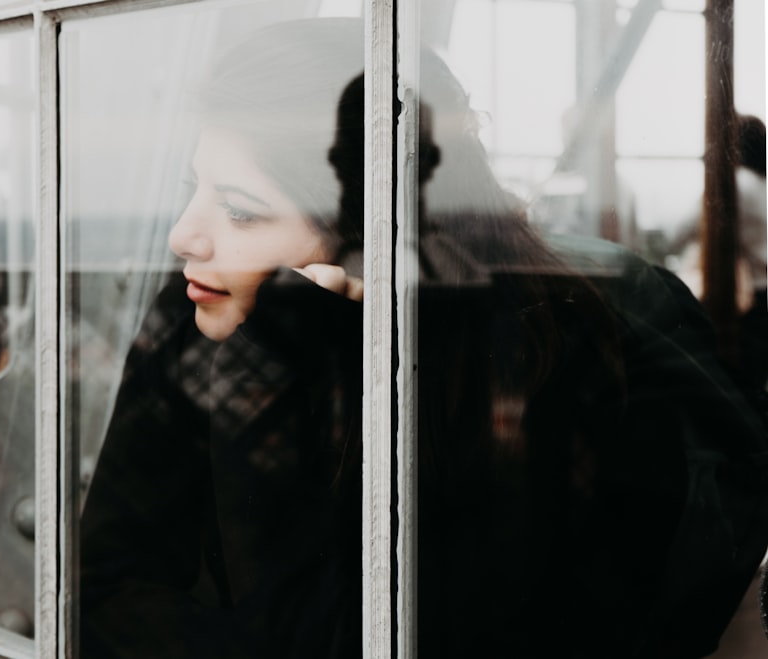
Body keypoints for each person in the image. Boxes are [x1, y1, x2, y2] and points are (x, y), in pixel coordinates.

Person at [79, 18, 768, 658]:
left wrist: (321, 365)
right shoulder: (194, 315)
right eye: (191, 188)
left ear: (371, 242)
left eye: (239, 210)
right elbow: (104, 585)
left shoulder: (540, 360)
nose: (181, 236)